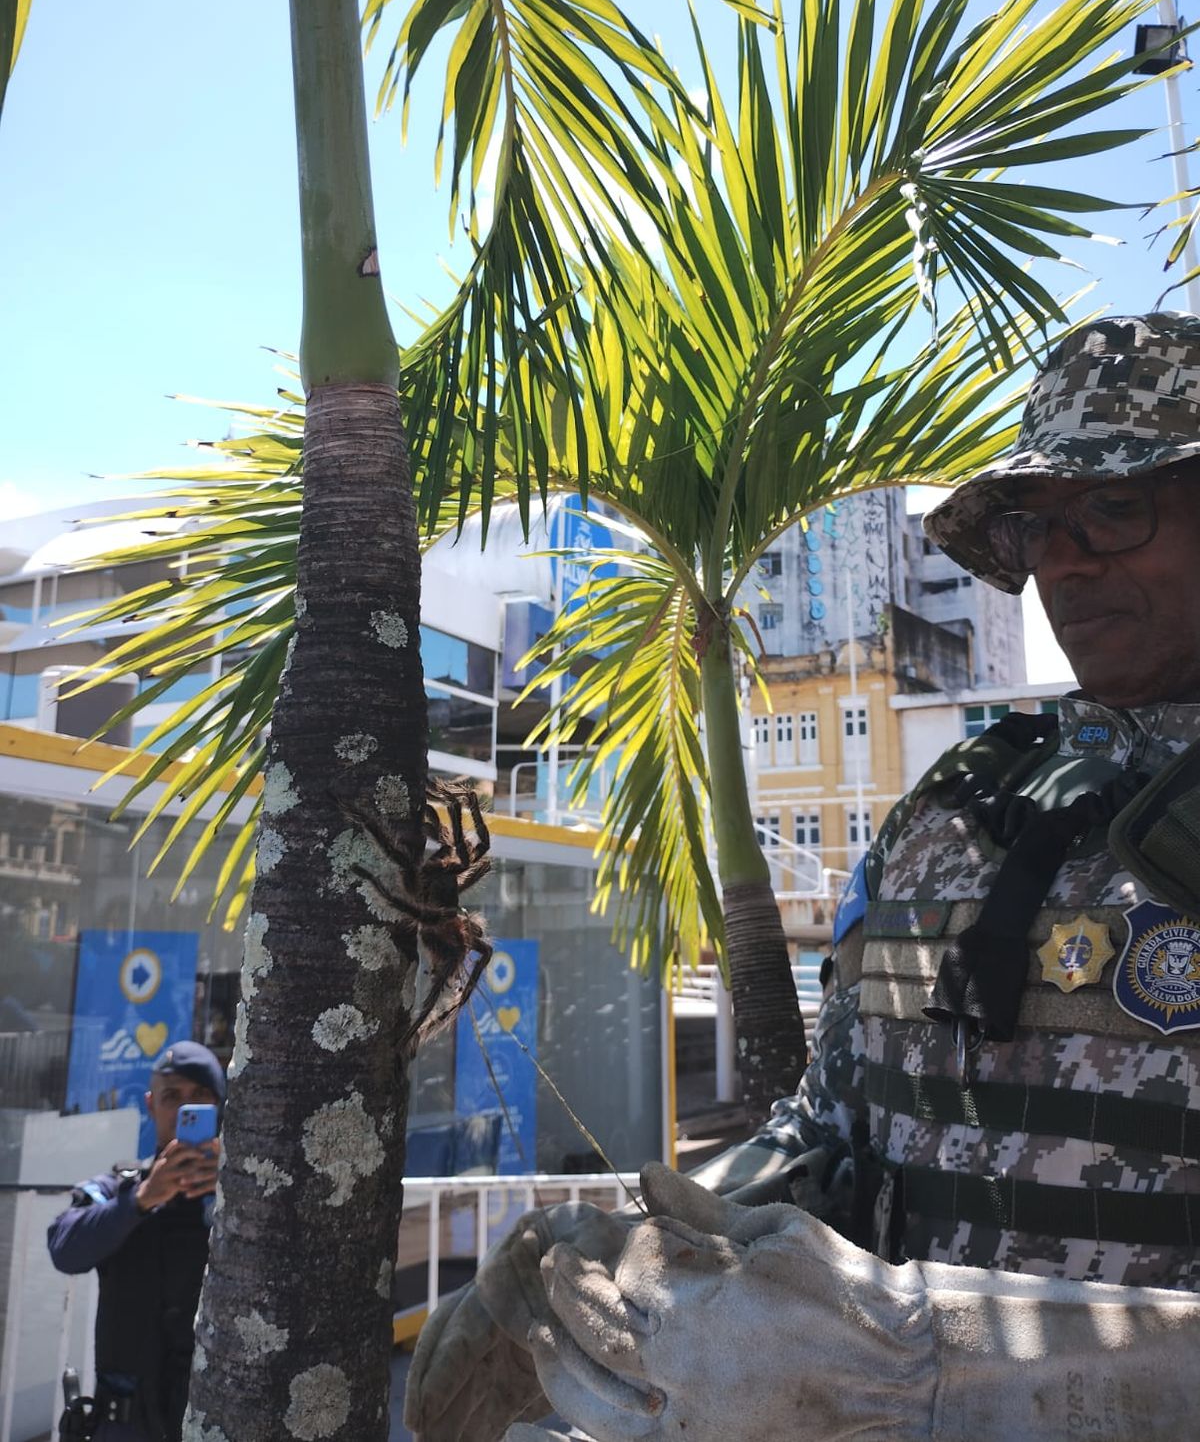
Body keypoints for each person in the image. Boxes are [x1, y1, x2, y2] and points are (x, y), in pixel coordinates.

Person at [404, 312, 1200, 1442]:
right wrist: (640, 1254)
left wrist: (940, 1366)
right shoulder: (959, 809)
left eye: (1116, 506)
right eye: (1037, 523)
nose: (1065, 559)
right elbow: (836, 1123)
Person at [48, 1041, 225, 1442]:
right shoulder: (117, 1189)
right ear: (151, 1104)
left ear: (219, 1105)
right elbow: (64, 1249)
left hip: (212, 1420)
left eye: (199, 1097)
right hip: (123, 1425)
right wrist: (142, 1200)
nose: (184, 1108)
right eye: (172, 1096)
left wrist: (233, 1191)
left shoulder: (245, 1194)